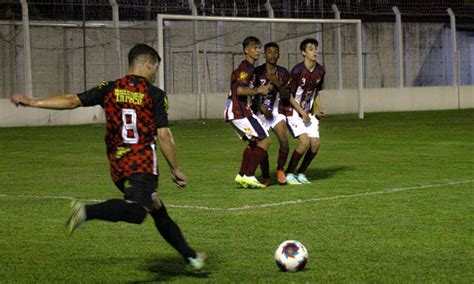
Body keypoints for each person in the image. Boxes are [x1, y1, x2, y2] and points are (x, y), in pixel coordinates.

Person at [10, 44, 206, 270]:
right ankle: (85, 212)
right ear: (148, 64)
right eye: (155, 69)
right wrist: (176, 168)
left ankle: (191, 256)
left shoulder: (110, 88)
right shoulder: (155, 95)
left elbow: (72, 100)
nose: (155, 74)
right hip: (141, 163)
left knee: (157, 209)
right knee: (136, 212)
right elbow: (164, 135)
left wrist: (34, 102)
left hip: (117, 165)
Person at [252, 42, 307, 185]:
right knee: (261, 144)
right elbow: (251, 95)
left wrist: (276, 82)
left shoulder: (283, 73)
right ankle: (265, 176)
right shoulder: (257, 72)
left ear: (279, 54)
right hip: (260, 113)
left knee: (284, 141)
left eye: (275, 52)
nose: (273, 55)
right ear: (264, 54)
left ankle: (280, 169)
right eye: (269, 52)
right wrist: (262, 108)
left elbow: (286, 94)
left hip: (276, 112)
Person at [224, 36, 272, 189]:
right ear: (246, 50)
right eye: (254, 48)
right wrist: (259, 90)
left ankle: (241, 175)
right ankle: (250, 175)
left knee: (254, 143)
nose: (258, 51)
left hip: (235, 111)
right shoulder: (245, 68)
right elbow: (239, 90)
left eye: (259, 48)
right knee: (265, 141)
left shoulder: (248, 68)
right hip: (240, 111)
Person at [284, 38, 327, 185]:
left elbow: (316, 92)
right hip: (294, 112)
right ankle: (288, 173)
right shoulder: (297, 71)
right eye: (310, 49)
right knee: (304, 142)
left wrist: (319, 107)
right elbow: (288, 95)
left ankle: (301, 173)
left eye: (315, 48)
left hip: (309, 113)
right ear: (303, 52)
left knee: (315, 144)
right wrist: (301, 112)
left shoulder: (320, 70)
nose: (314, 51)